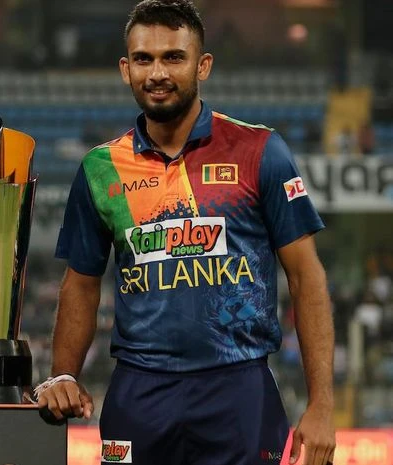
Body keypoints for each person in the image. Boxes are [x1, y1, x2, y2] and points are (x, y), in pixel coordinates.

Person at [36, 1, 336, 465]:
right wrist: (63, 375)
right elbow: (81, 281)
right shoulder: (100, 168)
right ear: (125, 68)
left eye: (173, 57)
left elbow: (306, 277)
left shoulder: (260, 151)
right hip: (139, 390)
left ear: (203, 65)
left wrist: (323, 404)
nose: (157, 72)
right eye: (143, 59)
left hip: (238, 388)